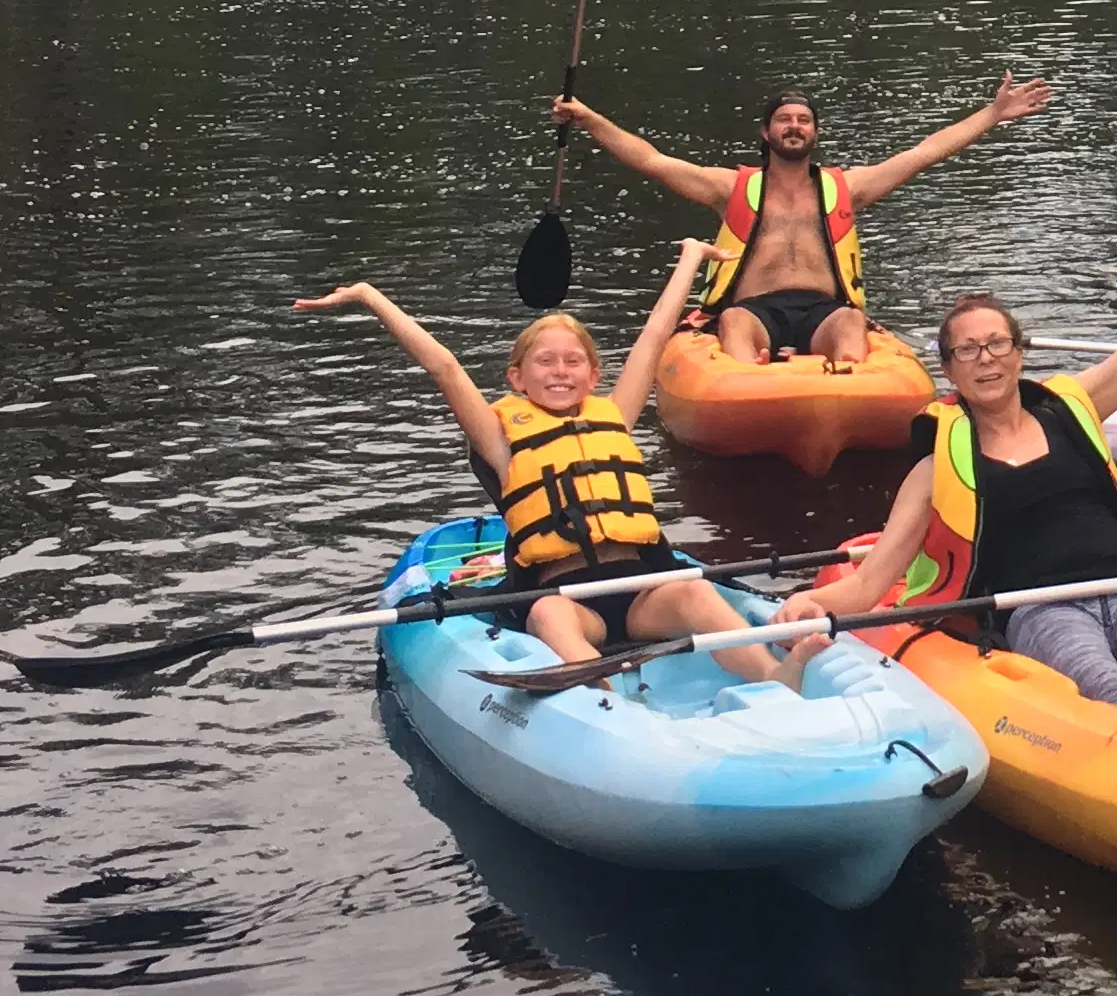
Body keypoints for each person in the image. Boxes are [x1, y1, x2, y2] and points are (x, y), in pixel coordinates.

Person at [808, 233, 1117, 739]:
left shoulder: (1071, 409)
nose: (986, 359)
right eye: (968, 350)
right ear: (949, 370)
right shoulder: (934, 466)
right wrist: (805, 610)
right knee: (1103, 692)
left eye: (997, 344)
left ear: (1018, 354)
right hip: (1043, 612)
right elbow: (871, 583)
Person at [293, 240, 798, 678]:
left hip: (643, 595)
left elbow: (654, 334)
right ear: (517, 378)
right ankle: (600, 699)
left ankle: (779, 679)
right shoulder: (500, 438)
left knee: (697, 594)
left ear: (593, 375)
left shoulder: (614, 416)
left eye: (573, 361)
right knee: (549, 617)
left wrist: (691, 258)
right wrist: (369, 297)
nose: (561, 371)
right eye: (545, 361)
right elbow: (444, 367)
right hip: (570, 603)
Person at [551, 74, 1054, 365]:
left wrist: (990, 115)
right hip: (753, 311)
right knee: (733, 322)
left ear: (814, 132)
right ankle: (748, 389)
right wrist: (591, 120)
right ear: (767, 133)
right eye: (784, 120)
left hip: (824, 310)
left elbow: (924, 153)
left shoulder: (846, 188)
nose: (794, 127)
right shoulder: (730, 188)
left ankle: (847, 396)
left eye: (803, 120)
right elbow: (651, 160)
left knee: (851, 323)